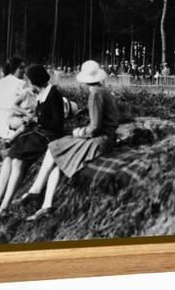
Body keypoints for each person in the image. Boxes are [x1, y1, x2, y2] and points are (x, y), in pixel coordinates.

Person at [20, 60, 120, 222]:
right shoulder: (103, 91)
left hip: (100, 140)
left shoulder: (95, 94)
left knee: (55, 146)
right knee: (58, 152)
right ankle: (46, 204)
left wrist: (79, 131)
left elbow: (94, 127)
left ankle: (37, 190)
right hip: (107, 137)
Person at [0, 64, 65, 220]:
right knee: (10, 157)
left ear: (35, 81)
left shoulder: (53, 94)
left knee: (17, 162)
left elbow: (57, 124)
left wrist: (37, 119)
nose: (29, 84)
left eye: (30, 81)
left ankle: (4, 207)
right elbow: (41, 117)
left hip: (48, 135)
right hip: (39, 132)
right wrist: (32, 119)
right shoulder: (41, 93)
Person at [0, 57, 26, 139]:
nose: (24, 70)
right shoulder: (21, 83)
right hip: (12, 123)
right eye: (21, 68)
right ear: (14, 69)